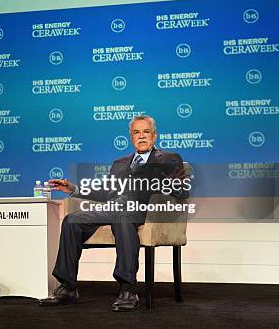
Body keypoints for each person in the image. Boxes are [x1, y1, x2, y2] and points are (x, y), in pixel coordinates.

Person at [38, 114, 185, 311]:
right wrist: (73, 188)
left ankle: (128, 289)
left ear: (154, 136)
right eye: (136, 132)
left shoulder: (168, 158)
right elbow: (107, 192)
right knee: (72, 220)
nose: (141, 136)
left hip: (145, 210)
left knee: (122, 218)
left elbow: (182, 192)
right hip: (115, 207)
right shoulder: (119, 163)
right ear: (131, 137)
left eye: (146, 132)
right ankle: (68, 287)